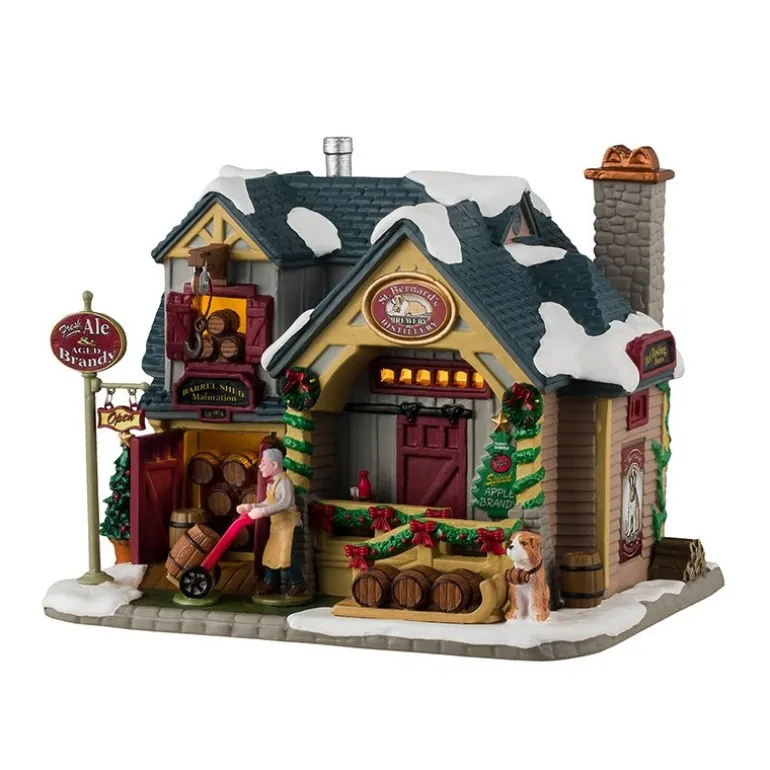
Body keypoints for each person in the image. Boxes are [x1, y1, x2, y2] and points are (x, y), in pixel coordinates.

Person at [236, 448, 309, 599]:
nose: (260, 466)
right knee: (270, 553)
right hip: (278, 526)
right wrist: (252, 507)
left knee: (287, 555)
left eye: (263, 463)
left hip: (289, 525)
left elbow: (284, 503)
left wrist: (263, 512)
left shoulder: (285, 482)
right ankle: (270, 582)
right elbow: (268, 502)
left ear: (274, 465)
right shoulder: (272, 482)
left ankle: (298, 583)